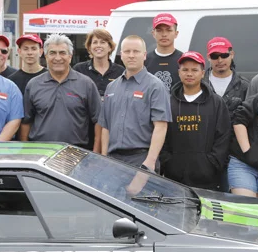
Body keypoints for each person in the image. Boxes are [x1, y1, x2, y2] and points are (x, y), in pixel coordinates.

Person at [99, 35, 171, 171]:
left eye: (136, 51)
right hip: (113, 161)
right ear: (121, 55)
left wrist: (150, 162)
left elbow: (161, 126)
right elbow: (105, 126)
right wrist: (104, 158)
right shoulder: (111, 87)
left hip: (141, 159)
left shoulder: (155, 86)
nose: (131, 55)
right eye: (127, 51)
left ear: (144, 55)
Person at [161, 51, 231, 190]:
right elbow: (160, 134)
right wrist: (168, 162)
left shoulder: (216, 102)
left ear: (203, 73)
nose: (189, 74)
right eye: (185, 70)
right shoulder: (168, 102)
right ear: (179, 72)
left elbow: (223, 137)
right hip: (173, 179)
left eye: (194, 70)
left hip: (208, 179)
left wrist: (212, 163)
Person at [20, 34, 102, 151]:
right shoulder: (33, 85)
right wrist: (26, 151)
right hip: (40, 151)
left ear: (70, 56)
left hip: (76, 151)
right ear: (46, 56)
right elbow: (26, 122)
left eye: (62, 53)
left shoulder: (86, 84)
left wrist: (96, 152)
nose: (58, 58)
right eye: (52, 53)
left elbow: (98, 120)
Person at [73, 29, 124, 96]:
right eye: (95, 42)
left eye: (102, 42)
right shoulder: (79, 69)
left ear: (110, 47)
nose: (98, 45)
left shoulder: (120, 71)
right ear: (89, 47)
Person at [205, 37, 249, 112]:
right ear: (208, 57)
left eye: (224, 55)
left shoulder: (244, 85)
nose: (220, 60)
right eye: (214, 56)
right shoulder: (198, 84)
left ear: (232, 54)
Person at [144, 13, 182, 91]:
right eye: (159, 30)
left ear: (176, 33)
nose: (164, 34)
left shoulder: (184, 60)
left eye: (169, 30)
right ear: (153, 33)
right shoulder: (144, 61)